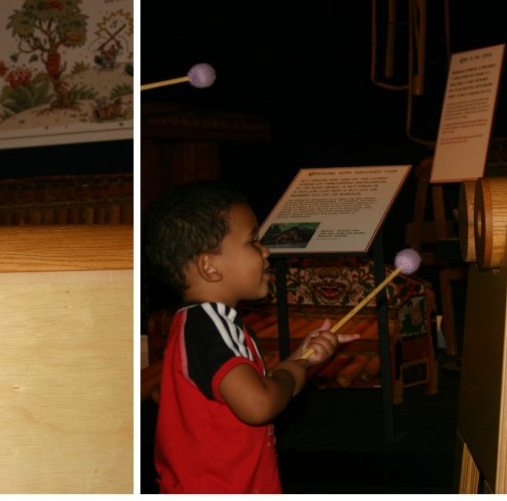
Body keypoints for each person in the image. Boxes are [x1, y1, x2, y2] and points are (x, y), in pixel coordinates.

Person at [144, 181, 358, 494]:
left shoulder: (201, 323)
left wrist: (303, 358)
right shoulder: (209, 324)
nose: (266, 250)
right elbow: (258, 404)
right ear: (210, 266)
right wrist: (293, 368)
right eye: (253, 241)